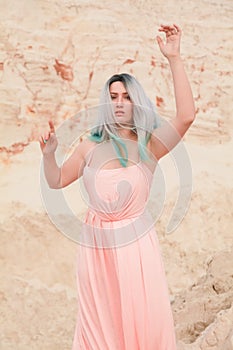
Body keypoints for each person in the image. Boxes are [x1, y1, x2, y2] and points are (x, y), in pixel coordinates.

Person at [39, 24, 195, 350]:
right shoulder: (88, 147)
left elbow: (185, 116)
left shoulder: (148, 147)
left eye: (126, 96)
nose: (119, 103)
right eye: (112, 97)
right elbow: (55, 181)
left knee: (142, 326)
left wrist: (175, 58)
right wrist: (50, 153)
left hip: (136, 249)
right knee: (100, 331)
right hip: (95, 251)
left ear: (136, 102)